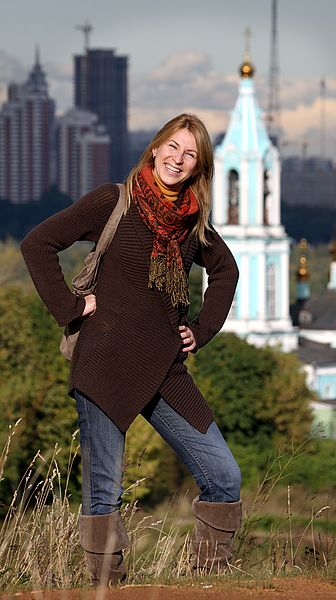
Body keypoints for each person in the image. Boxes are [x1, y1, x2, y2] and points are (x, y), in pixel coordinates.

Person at [20, 113, 242, 586]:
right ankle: (108, 590)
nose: (178, 161)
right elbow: (38, 244)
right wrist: (70, 307)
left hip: (165, 367)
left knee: (224, 476)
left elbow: (227, 271)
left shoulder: (191, 221)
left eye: (191, 156)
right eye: (173, 148)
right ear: (155, 147)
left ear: (198, 167)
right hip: (104, 361)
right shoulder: (112, 201)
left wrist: (201, 331)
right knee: (104, 493)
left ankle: (210, 584)